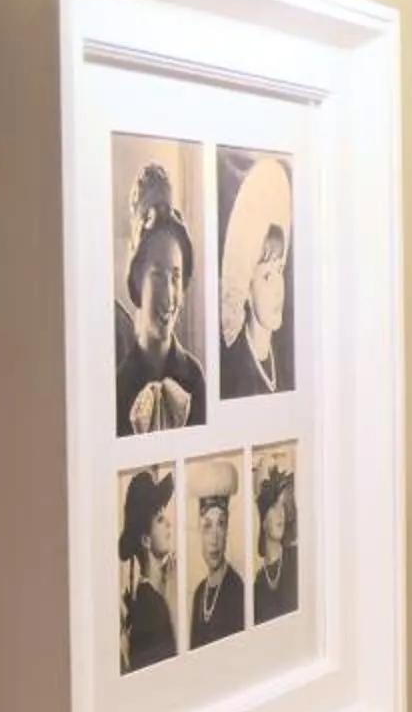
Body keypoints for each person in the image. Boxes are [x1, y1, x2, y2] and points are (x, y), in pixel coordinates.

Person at [116, 163, 209, 435]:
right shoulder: (118, 386)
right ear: (137, 280)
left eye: (176, 277)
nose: (169, 296)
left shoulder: (194, 377)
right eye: (157, 276)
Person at [220, 155, 295, 400]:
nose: (277, 290)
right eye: (265, 277)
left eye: (279, 271)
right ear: (247, 292)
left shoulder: (285, 363)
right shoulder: (235, 376)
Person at [119, 466, 178, 672]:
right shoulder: (152, 606)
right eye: (160, 520)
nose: (169, 524)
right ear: (145, 539)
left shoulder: (147, 597)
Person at [187, 458, 246, 647]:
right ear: (199, 532)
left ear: (228, 529)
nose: (214, 538)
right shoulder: (198, 594)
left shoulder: (237, 589)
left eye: (221, 524)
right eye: (207, 526)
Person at [253, 457, 300, 622]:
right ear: (262, 520)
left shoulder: (297, 560)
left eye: (283, 505)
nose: (281, 513)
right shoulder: (258, 583)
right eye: (273, 506)